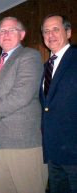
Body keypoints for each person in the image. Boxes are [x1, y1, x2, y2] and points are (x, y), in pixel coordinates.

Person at [0, 16, 48, 193]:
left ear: (22, 34)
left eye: (11, 30)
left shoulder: (30, 56)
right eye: (2, 31)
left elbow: (22, 94)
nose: (6, 34)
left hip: (23, 142)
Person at [40, 14, 77, 193]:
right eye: (46, 31)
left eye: (56, 29)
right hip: (54, 152)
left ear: (68, 32)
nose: (50, 34)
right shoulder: (46, 66)